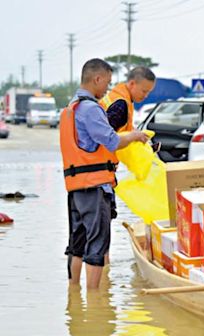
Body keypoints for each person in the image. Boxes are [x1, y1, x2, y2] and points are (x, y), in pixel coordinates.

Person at [61, 58, 149, 289]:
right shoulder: (90, 109)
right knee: (98, 243)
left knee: (77, 243)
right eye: (107, 83)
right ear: (97, 79)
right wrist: (135, 136)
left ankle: (74, 294)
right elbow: (111, 141)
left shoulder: (72, 107)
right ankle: (95, 301)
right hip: (95, 185)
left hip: (76, 187)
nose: (107, 89)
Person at [99, 66, 156, 132]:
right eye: (144, 91)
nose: (146, 96)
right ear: (132, 84)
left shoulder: (119, 96)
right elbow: (106, 137)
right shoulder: (120, 105)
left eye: (148, 92)